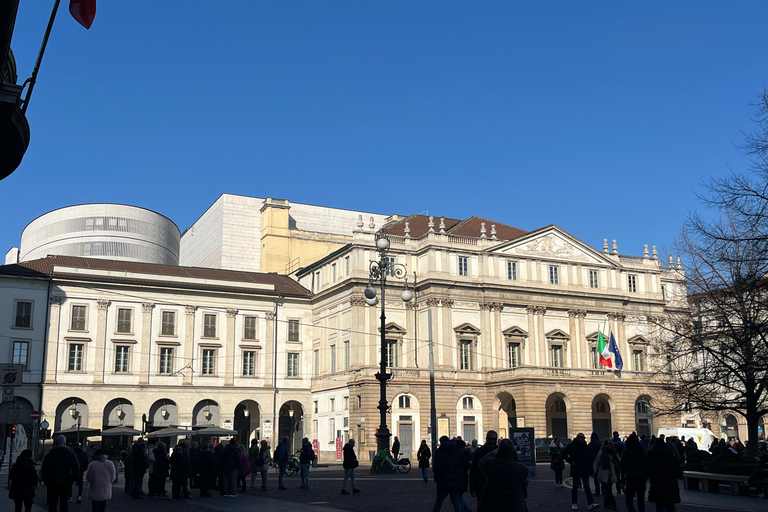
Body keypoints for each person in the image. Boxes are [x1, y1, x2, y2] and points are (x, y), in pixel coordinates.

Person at [478, 438, 528, 512]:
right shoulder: (522, 469)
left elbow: (482, 461)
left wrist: (493, 452)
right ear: (512, 450)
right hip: (514, 507)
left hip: (495, 506)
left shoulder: (491, 465)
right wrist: (515, 455)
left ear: (499, 450)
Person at [561, 432, 599, 510]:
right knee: (575, 486)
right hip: (576, 468)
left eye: (584, 438)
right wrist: (571, 462)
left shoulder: (585, 445)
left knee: (587, 486)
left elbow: (589, 457)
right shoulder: (572, 445)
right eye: (582, 438)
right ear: (578, 438)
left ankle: (590, 503)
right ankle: (574, 503)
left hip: (584, 468)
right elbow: (563, 453)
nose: (583, 439)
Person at [42, 435, 80, 512]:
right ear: (65, 443)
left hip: (52, 481)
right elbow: (76, 467)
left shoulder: (50, 454)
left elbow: (44, 469)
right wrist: (73, 479)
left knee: (52, 503)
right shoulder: (70, 453)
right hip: (65, 481)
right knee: (64, 502)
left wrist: (46, 481)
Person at [432, 437, 470, 512]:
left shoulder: (440, 451)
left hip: (443, 481)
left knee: (439, 501)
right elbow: (466, 464)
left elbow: (437, 467)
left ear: (442, 442)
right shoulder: (457, 451)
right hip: (454, 480)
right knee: (456, 501)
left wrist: (436, 479)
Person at [647, 438, 682, 512]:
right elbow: (677, 466)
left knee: (660, 504)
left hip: (658, 482)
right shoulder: (669, 453)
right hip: (670, 481)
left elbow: (649, 468)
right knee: (671, 505)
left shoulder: (652, 454)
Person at [621, 434, 648, 512]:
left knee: (629, 500)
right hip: (641, 478)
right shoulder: (641, 451)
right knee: (641, 500)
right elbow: (646, 464)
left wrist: (622, 478)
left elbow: (622, 466)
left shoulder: (627, 451)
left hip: (631, 478)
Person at [470, 430, 498, 505]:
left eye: (494, 439)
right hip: (482, 484)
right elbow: (473, 470)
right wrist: (472, 488)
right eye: (490, 439)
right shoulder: (479, 452)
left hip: (497, 486)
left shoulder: (499, 452)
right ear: (486, 438)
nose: (492, 441)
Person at [593, 438, 620, 510]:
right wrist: (594, 472)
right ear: (604, 445)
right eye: (607, 443)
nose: (609, 445)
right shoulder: (601, 452)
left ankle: (606, 504)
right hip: (604, 474)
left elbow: (619, 461)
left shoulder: (614, 452)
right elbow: (596, 463)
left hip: (611, 474)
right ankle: (613, 504)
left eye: (610, 443)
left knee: (608, 489)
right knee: (608, 489)